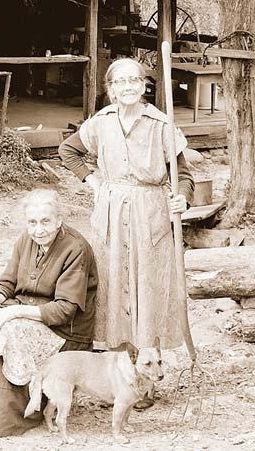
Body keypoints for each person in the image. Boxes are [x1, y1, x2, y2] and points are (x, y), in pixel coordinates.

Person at [57, 57, 193, 359]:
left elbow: (182, 176)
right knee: (113, 284)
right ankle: (119, 373)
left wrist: (182, 198)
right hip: (112, 213)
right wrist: (95, 184)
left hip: (151, 215)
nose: (128, 86)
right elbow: (68, 150)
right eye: (121, 81)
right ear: (111, 89)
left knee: (149, 289)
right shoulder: (101, 122)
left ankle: (147, 370)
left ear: (144, 85)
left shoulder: (161, 124)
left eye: (135, 80)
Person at [0, 188, 99, 436]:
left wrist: (13, 313)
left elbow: (64, 310)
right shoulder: (26, 240)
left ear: (59, 221)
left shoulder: (76, 248)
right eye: (32, 222)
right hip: (28, 313)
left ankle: (10, 417)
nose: (38, 230)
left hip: (64, 331)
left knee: (8, 330)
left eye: (45, 222)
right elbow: (8, 281)